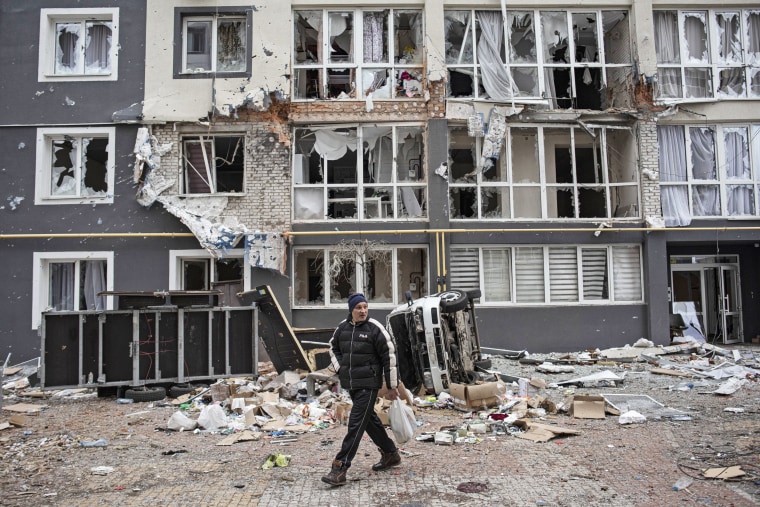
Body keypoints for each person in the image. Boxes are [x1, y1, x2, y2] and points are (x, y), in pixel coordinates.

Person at [321, 293, 402, 486]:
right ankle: (390, 454)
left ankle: (340, 468)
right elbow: (333, 347)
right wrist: (340, 367)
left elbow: (389, 357)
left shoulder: (376, 329)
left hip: (369, 384)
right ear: (351, 310)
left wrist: (392, 385)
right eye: (358, 308)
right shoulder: (343, 328)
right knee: (369, 421)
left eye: (365, 307)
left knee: (356, 424)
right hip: (352, 384)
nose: (363, 311)